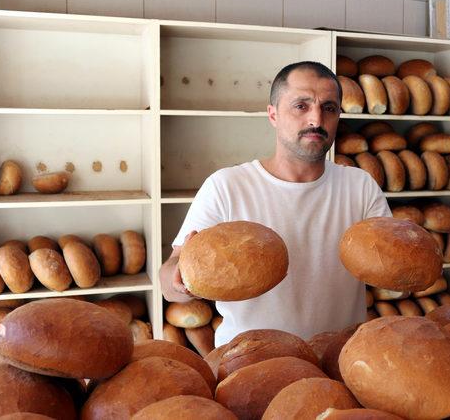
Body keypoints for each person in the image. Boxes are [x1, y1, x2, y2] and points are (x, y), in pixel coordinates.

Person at [159, 61, 391, 347]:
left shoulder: (361, 186)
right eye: (301, 106)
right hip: (249, 361)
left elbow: (389, 269)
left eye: (328, 108)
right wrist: (182, 279)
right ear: (273, 114)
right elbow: (168, 283)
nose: (316, 120)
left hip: (337, 360)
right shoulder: (227, 186)